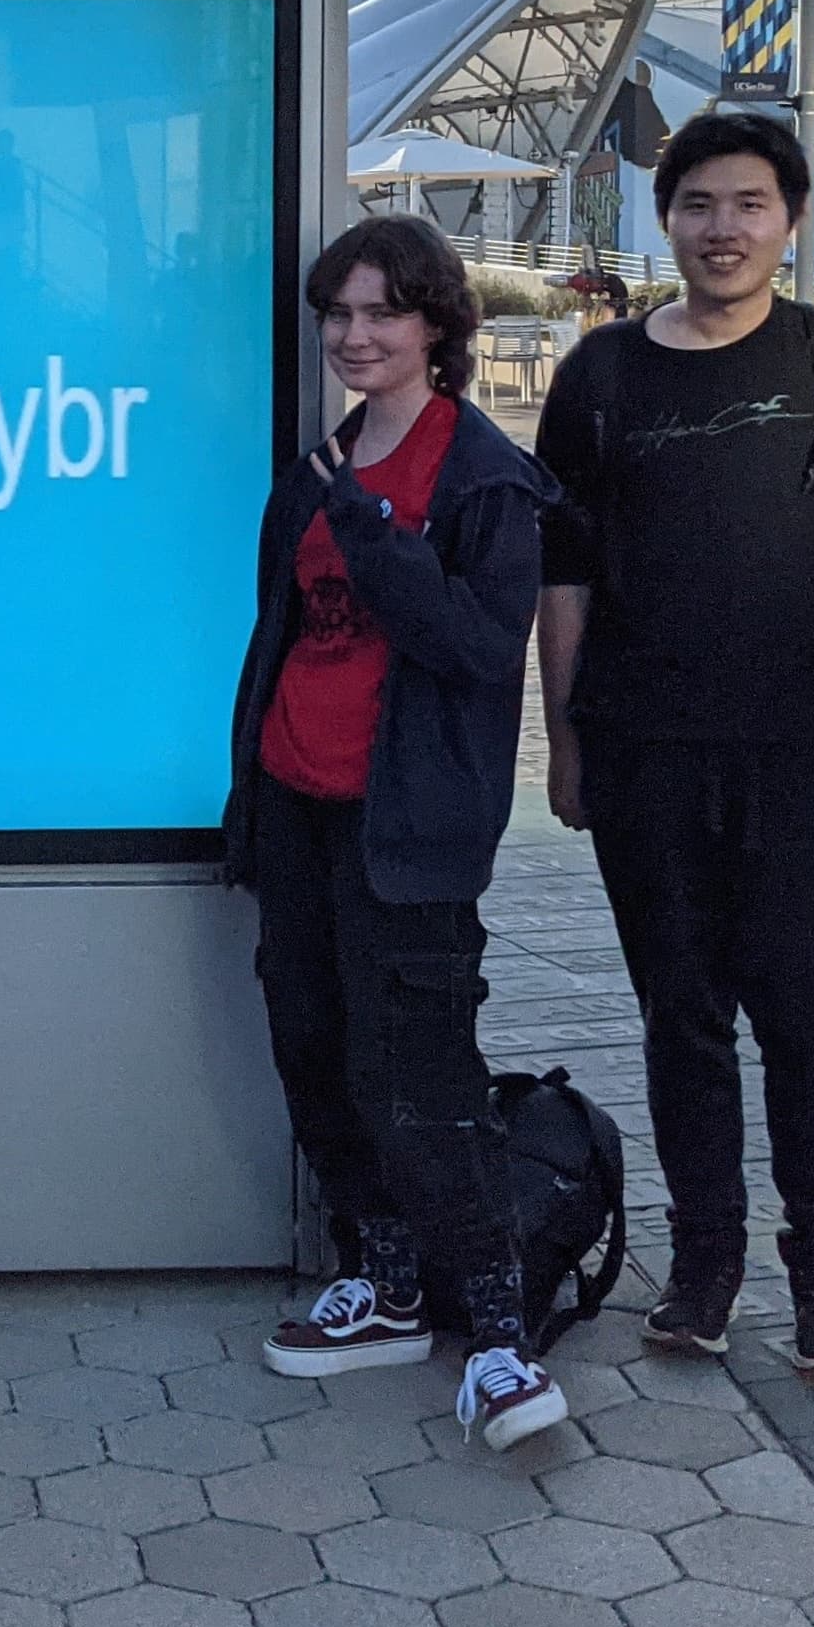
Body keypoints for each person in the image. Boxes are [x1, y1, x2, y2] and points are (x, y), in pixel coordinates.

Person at [536, 108, 814, 1382]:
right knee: (679, 1013)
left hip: (798, 757)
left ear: (789, 219)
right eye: (699, 203)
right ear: (665, 216)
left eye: (749, 204)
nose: (723, 228)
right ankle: (706, 1256)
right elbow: (566, 571)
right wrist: (566, 739)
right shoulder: (601, 378)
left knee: (810, 1015)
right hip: (643, 749)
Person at [226, 214, 572, 1454]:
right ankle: (386, 1278)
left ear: (439, 325)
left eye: (384, 311)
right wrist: (246, 808)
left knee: (422, 1084)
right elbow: (276, 644)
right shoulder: (317, 464)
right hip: (301, 812)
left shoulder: (480, 475)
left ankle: (498, 1335)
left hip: (408, 833)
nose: (357, 334)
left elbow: (482, 650)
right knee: (314, 1051)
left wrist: (378, 535)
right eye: (341, 314)